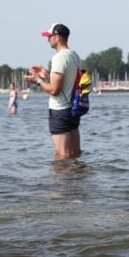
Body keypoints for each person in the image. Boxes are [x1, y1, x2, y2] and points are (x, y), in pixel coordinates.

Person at [24, 23, 82, 159]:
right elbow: (68, 81)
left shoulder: (59, 58)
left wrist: (37, 81)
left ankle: (61, 181)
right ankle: (78, 179)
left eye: (49, 36)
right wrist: (47, 74)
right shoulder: (74, 55)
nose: (48, 40)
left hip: (60, 111)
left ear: (57, 37)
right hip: (73, 110)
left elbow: (55, 90)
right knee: (75, 154)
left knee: (62, 156)